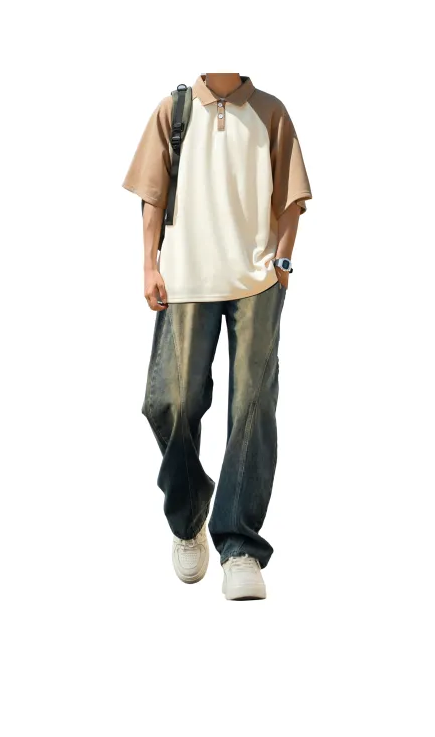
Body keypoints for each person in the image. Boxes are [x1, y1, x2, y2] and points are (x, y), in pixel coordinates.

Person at [122, 73, 312, 600]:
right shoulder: (174, 108)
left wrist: (283, 261)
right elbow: (152, 194)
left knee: (252, 406)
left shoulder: (271, 111)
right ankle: (189, 519)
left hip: (256, 281)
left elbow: (292, 196)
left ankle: (240, 545)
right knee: (170, 402)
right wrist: (149, 265)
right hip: (185, 278)